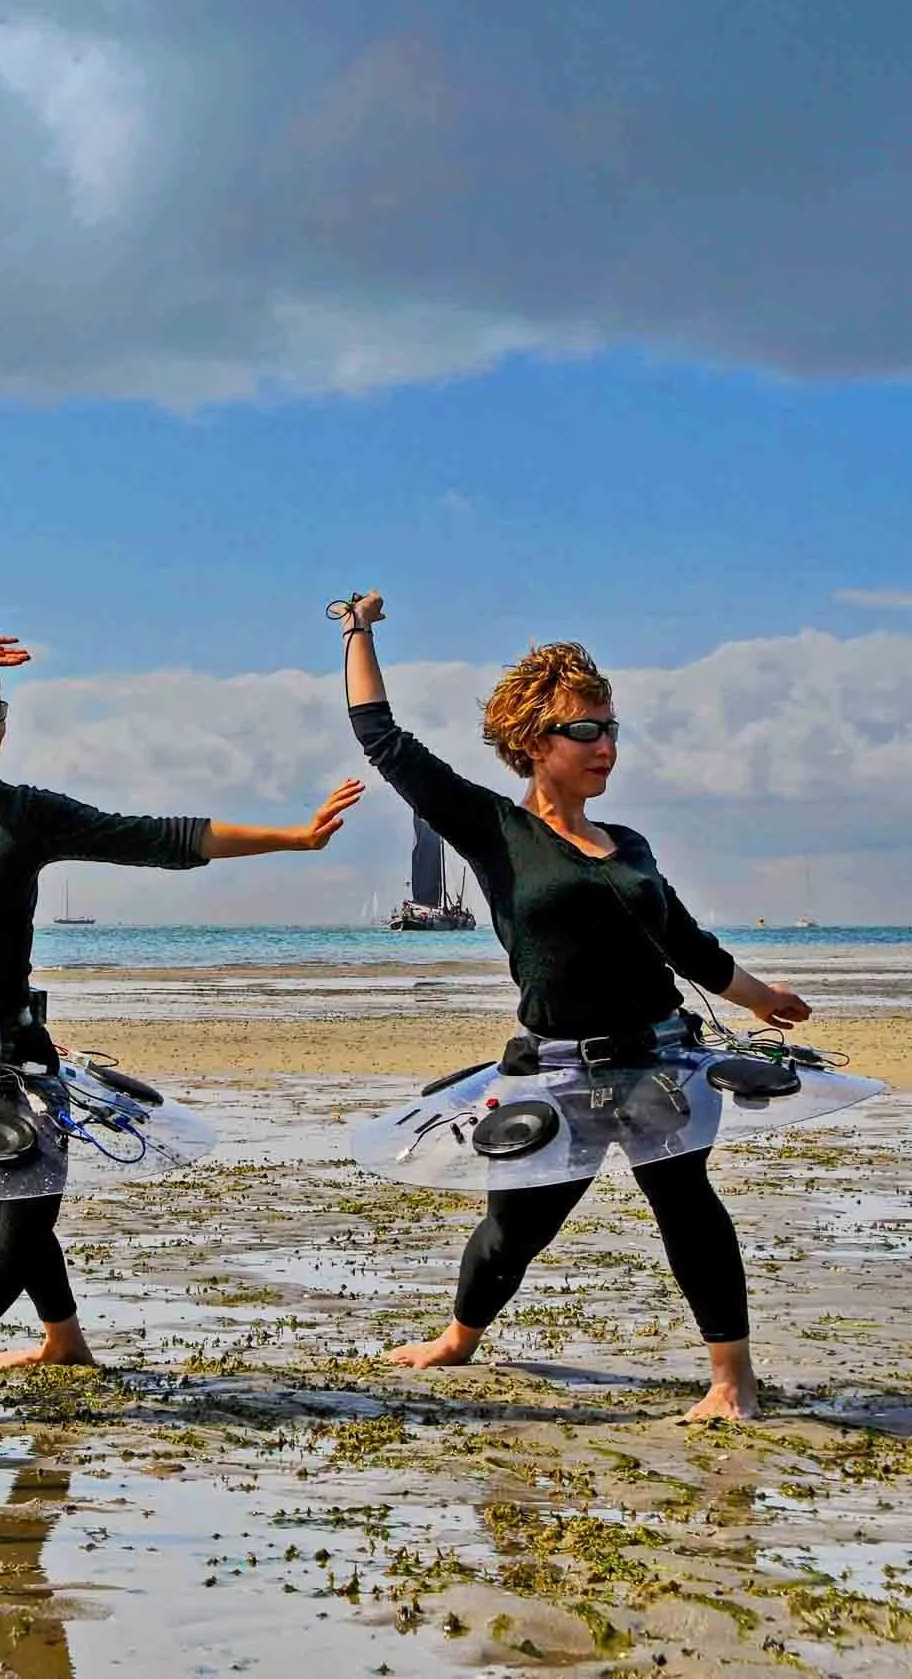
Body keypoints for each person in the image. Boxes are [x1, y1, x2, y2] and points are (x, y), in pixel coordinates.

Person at [0, 608, 365, 1422]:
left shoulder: (22, 815)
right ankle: (65, 1339)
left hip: (17, 1066)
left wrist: (293, 838)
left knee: (19, 1226)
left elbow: (155, 837)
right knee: (9, 1221)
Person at [335, 590, 811, 1421]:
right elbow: (383, 738)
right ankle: (458, 1336)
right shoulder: (492, 829)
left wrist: (761, 996)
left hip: (661, 1057)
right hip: (557, 1070)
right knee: (514, 1229)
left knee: (687, 1202)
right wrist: (358, 631)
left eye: (611, 728)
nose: (605, 746)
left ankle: (732, 1380)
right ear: (532, 742)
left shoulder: (631, 846)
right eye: (585, 730)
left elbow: (689, 947)